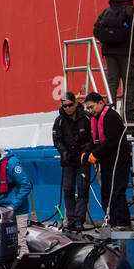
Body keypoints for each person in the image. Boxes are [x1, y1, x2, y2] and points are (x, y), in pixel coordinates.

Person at [92, 0, 134, 125]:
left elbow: (96, 30)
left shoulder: (106, 12)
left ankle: (109, 113)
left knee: (112, 83)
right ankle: (129, 115)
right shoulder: (131, 10)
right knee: (129, 84)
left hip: (109, 53)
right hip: (127, 53)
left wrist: (107, 40)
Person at [82, 91, 131, 229]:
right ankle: (111, 220)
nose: (90, 111)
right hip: (107, 163)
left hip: (118, 162)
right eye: (88, 108)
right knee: (106, 193)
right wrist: (87, 152)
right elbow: (94, 140)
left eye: (92, 107)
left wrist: (95, 154)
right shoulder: (96, 119)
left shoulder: (112, 117)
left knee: (117, 191)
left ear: (101, 103)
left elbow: (112, 141)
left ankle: (123, 222)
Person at [0, 138, 33, 256]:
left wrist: (13, 206)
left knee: (20, 242)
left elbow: (25, 186)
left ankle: (24, 266)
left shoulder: (12, 163)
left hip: (17, 210)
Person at [51, 91, 92, 231]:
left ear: (75, 103)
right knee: (68, 189)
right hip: (68, 160)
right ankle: (70, 219)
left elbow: (92, 137)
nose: (67, 108)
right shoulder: (60, 120)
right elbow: (56, 139)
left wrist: (86, 151)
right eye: (64, 106)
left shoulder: (86, 117)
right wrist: (63, 152)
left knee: (82, 189)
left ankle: (80, 220)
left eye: (69, 105)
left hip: (82, 159)